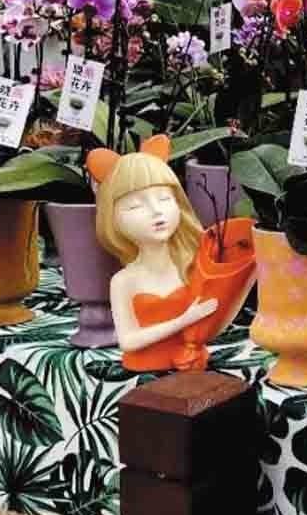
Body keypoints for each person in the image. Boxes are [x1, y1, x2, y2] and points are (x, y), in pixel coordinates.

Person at [90, 134, 254, 371]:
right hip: (143, 368)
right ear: (112, 218)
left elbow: (215, 317)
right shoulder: (123, 281)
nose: (156, 211)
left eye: (165, 198)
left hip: (191, 366)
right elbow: (127, 341)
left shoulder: (193, 264)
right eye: (136, 205)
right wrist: (184, 320)